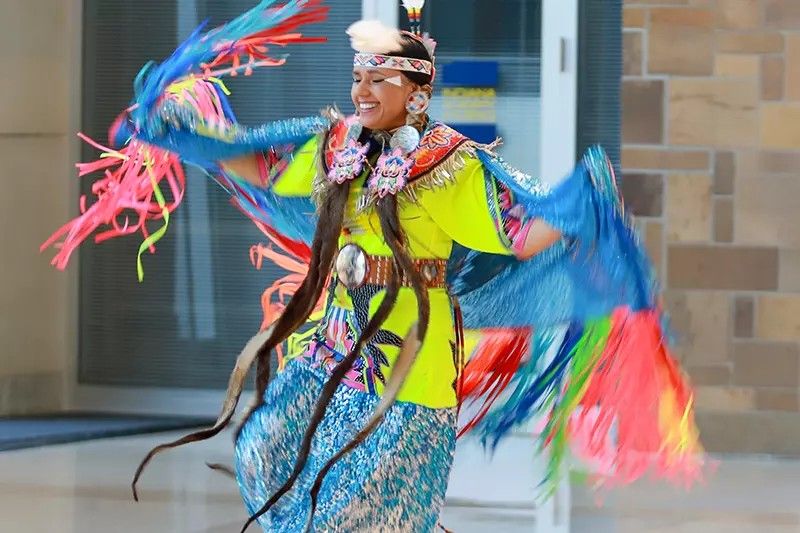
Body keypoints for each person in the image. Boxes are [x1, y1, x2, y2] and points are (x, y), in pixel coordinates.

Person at [43, 1, 705, 532]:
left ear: (416, 94)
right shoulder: (337, 148)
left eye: (377, 79)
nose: (361, 90)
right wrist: (185, 134)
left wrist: (579, 206)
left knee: (366, 507)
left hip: (410, 368)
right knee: (268, 450)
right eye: (357, 76)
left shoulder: (451, 167)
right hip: (335, 348)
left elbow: (518, 230)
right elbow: (264, 166)